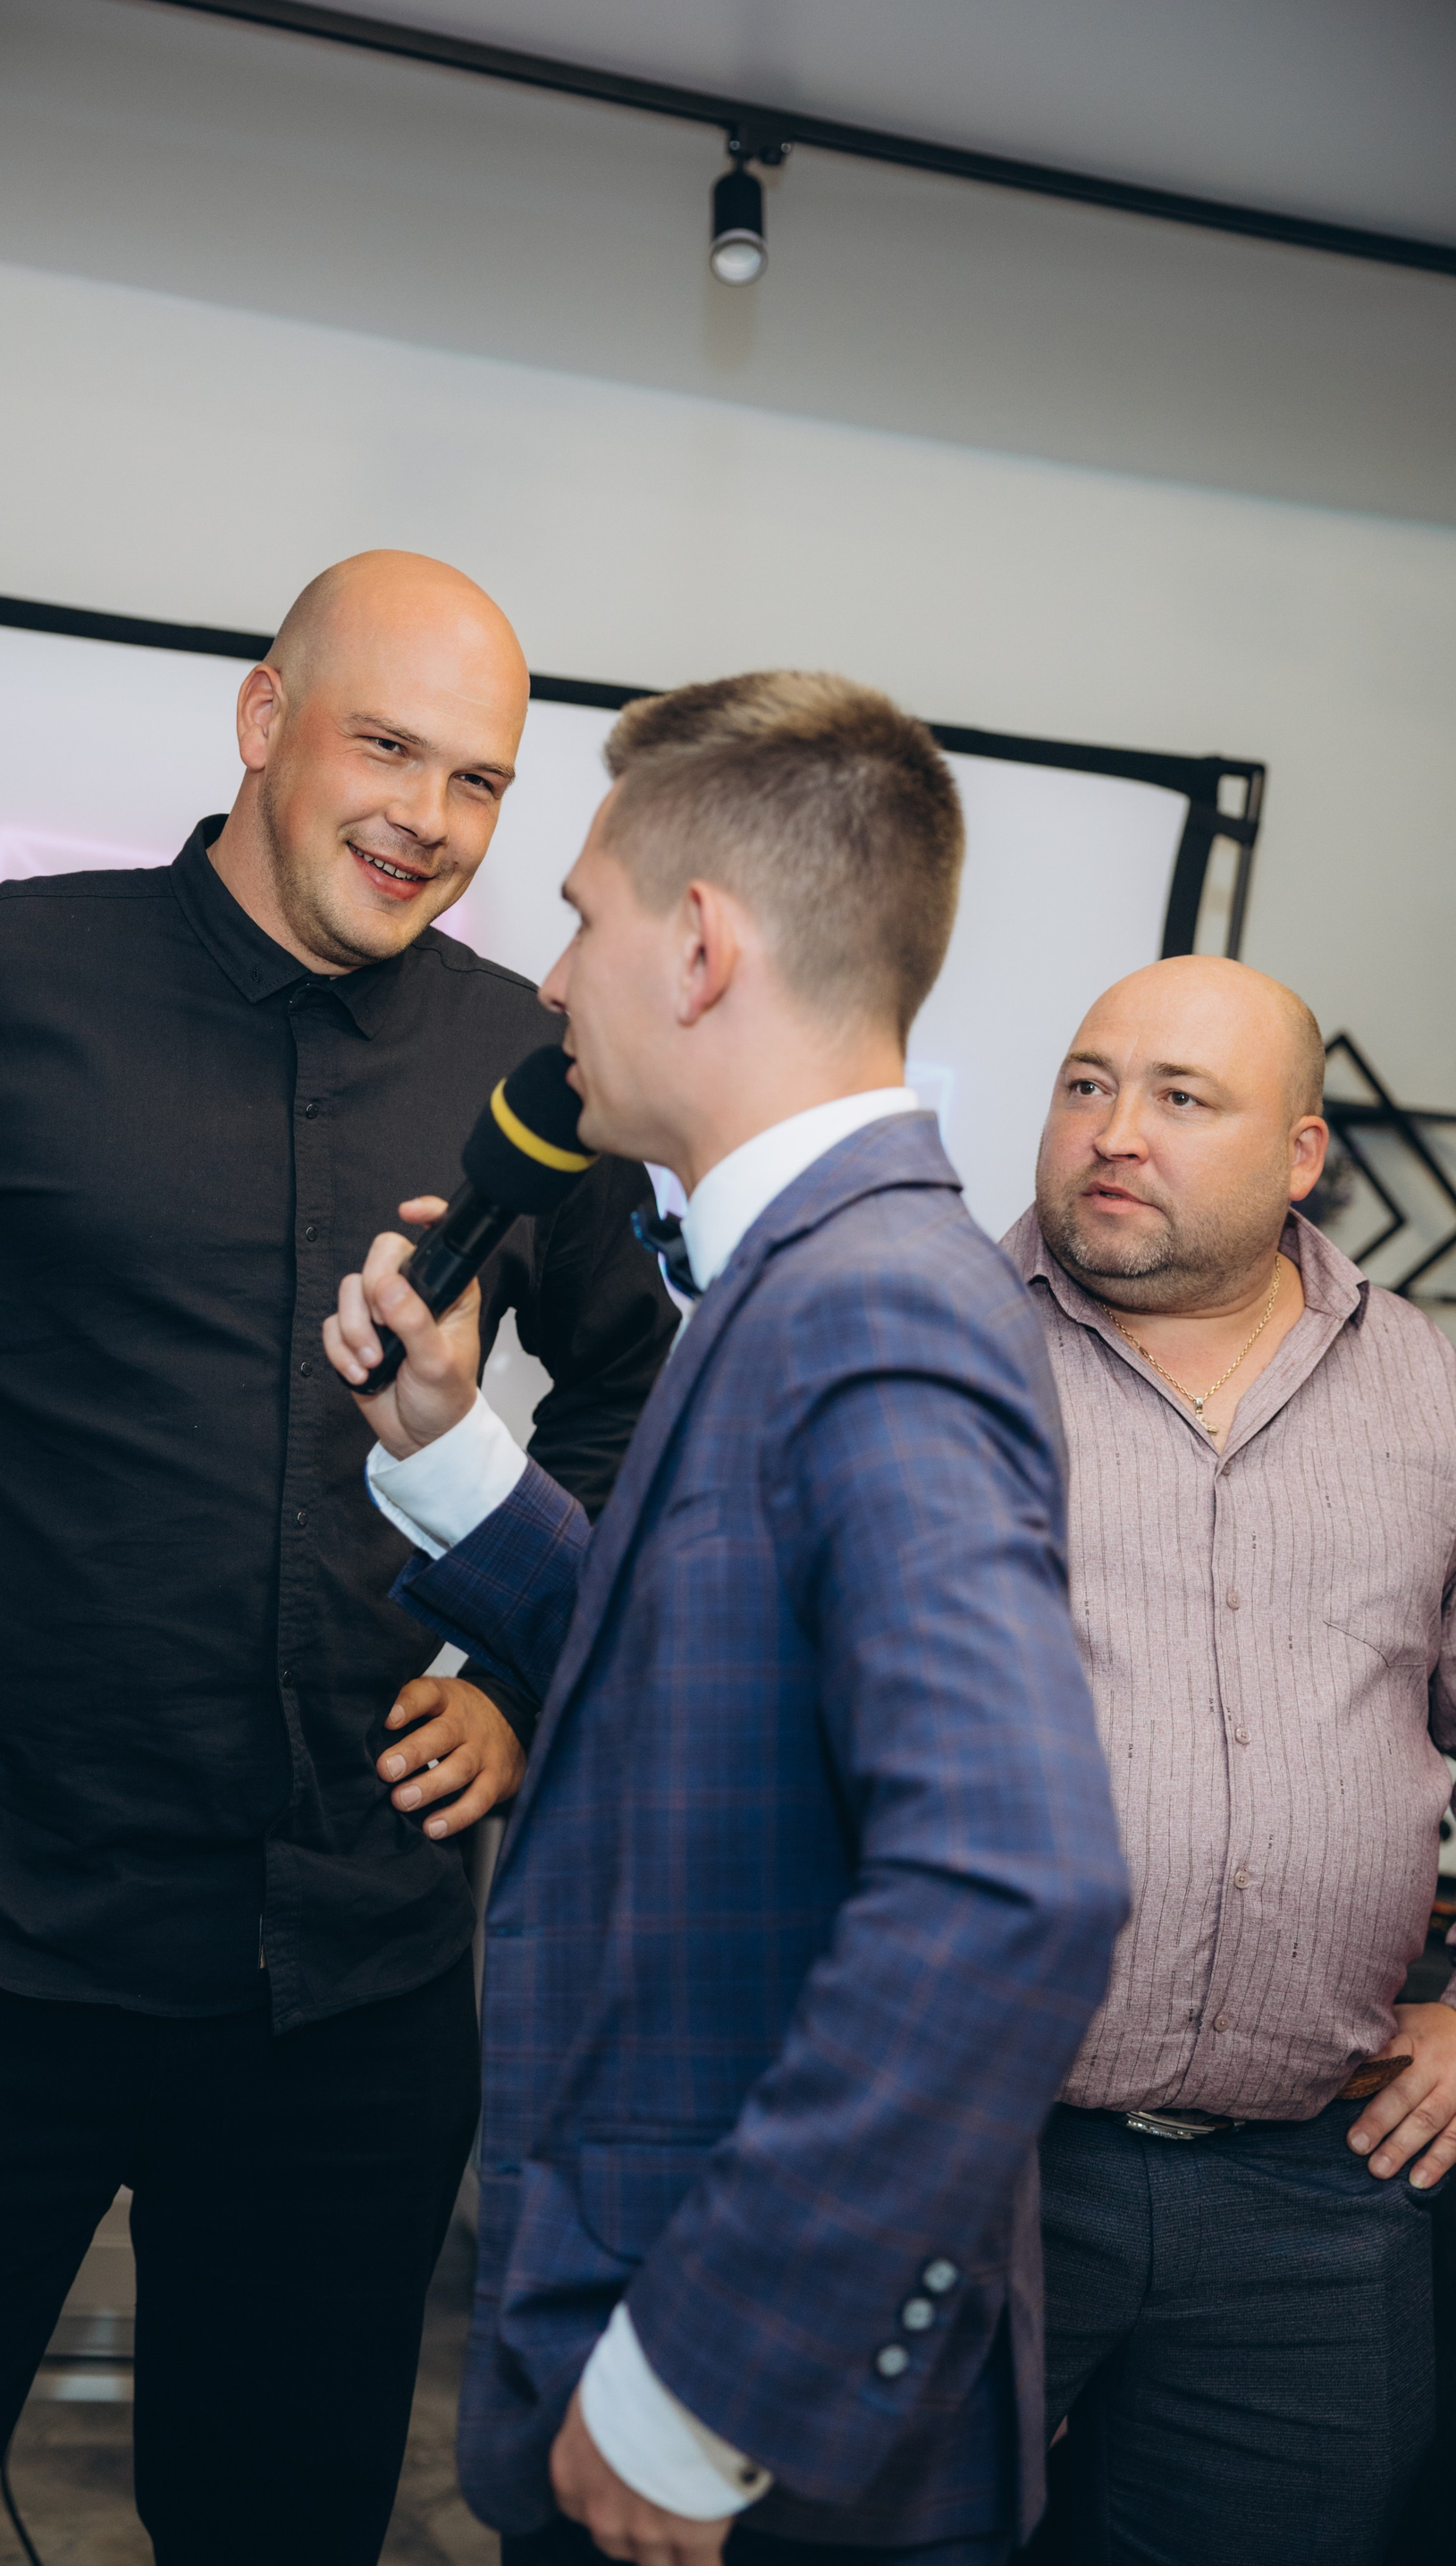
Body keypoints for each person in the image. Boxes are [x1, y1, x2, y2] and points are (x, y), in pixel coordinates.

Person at [0, 550, 678, 2566]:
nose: (429, 818)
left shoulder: (540, 1069)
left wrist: (518, 1675)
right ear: (263, 719)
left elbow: (640, 1399)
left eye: (481, 781)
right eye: (387, 747)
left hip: (350, 1997)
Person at [324, 672, 1131, 2566]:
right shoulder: (803, 1275)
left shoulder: (877, 1303)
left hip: (734, 2411)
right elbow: (704, 1693)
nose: (550, 981)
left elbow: (1014, 1883)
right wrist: (454, 1457)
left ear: (700, 949)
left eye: (581, 921)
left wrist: (708, 2381)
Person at [1006, 954, 1456, 2566]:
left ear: (1301, 1155)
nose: (1115, 1130)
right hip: (974, 2166)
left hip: (1313, 2200)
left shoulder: (1431, 1387)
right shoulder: (932, 1351)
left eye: (1182, 1098)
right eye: (1088, 1083)